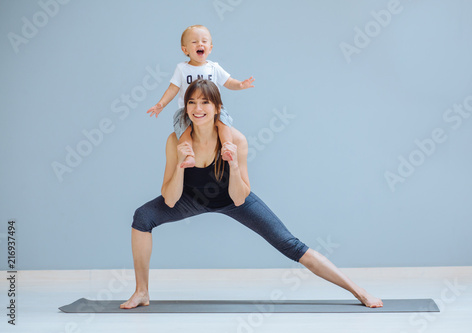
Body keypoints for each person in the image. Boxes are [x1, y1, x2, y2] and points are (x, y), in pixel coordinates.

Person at [121, 79, 383, 309]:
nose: (197, 109)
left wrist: (233, 165)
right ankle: (142, 291)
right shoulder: (175, 141)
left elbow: (238, 197)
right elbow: (169, 198)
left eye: (204, 103)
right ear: (185, 108)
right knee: (142, 217)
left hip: (231, 199)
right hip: (190, 198)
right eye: (191, 102)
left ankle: (357, 290)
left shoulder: (236, 139)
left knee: (291, 245)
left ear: (217, 108)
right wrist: (180, 166)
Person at [146, 24, 255, 168]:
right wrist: (161, 104)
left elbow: (228, 82)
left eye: (204, 41)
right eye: (194, 41)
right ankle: (190, 156)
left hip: (213, 109)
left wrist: (240, 85)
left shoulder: (213, 67)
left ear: (210, 48)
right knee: (185, 131)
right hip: (187, 110)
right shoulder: (182, 69)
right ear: (185, 50)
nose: (200, 44)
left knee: (223, 124)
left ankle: (227, 147)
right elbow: (173, 88)